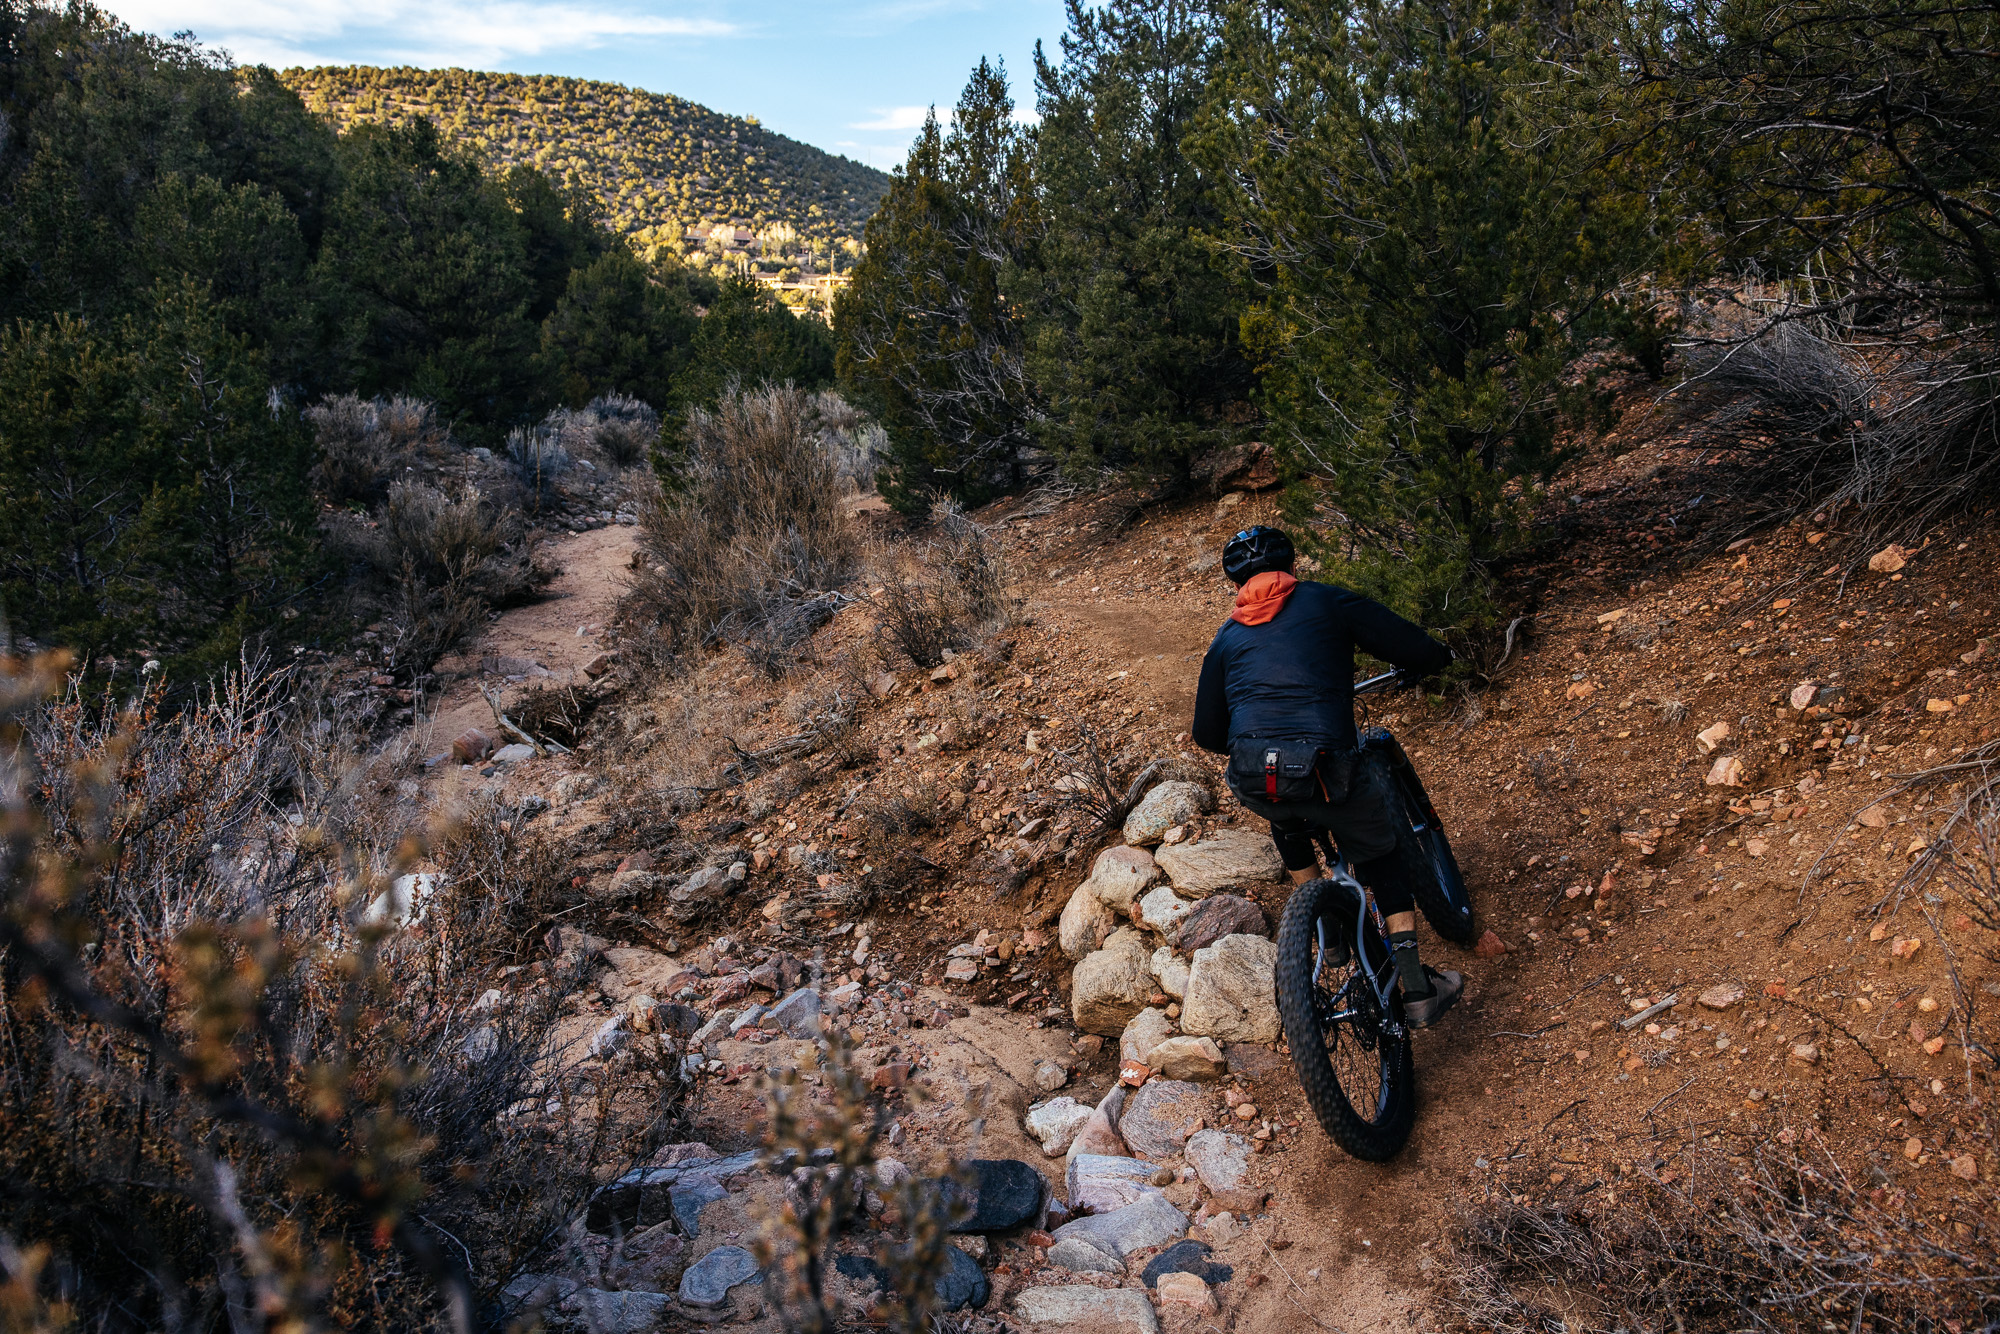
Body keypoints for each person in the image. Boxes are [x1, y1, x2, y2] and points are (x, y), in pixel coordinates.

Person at [1189, 525, 1464, 1027]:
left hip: (1254, 777)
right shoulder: (1327, 602)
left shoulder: (1226, 637)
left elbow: (1207, 732)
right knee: (1380, 857)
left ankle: (1326, 930)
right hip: (1325, 764)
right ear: (1291, 567)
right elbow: (1407, 643)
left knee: (1282, 802)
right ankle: (1419, 990)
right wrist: (1435, 658)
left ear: (1235, 585)